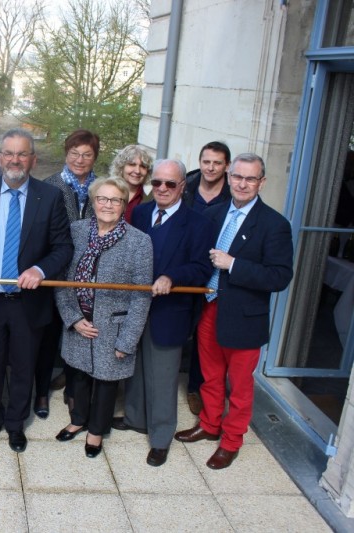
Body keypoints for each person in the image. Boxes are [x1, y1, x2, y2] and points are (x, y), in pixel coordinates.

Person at [175, 153, 293, 470]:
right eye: (238, 177)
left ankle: (231, 441)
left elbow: (280, 276)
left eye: (250, 178)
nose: (242, 184)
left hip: (244, 318)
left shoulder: (274, 225)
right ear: (228, 178)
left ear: (261, 182)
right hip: (209, 308)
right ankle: (210, 424)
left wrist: (234, 265)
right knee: (209, 377)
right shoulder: (212, 214)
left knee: (238, 387)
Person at [0, 128, 73, 453]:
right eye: (9, 153)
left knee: (24, 366)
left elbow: (63, 247)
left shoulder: (50, 196)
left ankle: (15, 426)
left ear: (33, 159)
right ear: (0, 159)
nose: (15, 159)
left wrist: (39, 270)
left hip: (29, 301)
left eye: (22, 153)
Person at [112, 159, 213, 467]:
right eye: (157, 183)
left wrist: (173, 277)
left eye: (170, 184)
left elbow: (202, 267)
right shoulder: (141, 213)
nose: (163, 189)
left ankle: (160, 437)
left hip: (169, 310)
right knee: (136, 365)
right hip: (135, 306)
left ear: (182, 186)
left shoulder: (198, 223)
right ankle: (135, 417)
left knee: (164, 376)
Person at [54, 177, 152, 458]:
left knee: (107, 382)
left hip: (114, 327)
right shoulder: (76, 231)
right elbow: (61, 280)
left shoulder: (139, 242)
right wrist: (72, 318)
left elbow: (141, 296)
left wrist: (127, 340)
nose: (108, 205)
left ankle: (96, 431)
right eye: (102, 199)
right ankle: (78, 420)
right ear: (93, 202)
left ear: (124, 204)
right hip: (79, 322)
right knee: (79, 375)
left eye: (115, 200)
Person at [37, 129, 101, 419]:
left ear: (94, 157)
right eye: (75, 153)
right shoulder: (48, 186)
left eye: (87, 154)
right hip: (55, 268)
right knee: (49, 332)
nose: (80, 159)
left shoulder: (102, 188)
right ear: (66, 154)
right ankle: (41, 391)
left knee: (80, 332)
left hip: (89, 272)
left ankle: (75, 391)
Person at [181, 141, 233, 414]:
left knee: (206, 333)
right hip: (184, 266)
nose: (210, 167)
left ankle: (195, 387)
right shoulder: (185, 185)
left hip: (214, 271)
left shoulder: (233, 192)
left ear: (226, 166)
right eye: (206, 161)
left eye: (217, 163)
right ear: (199, 162)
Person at [109, 144, 154, 223]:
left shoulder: (152, 200)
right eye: (132, 164)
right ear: (121, 167)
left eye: (143, 166)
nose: (137, 171)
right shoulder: (106, 191)